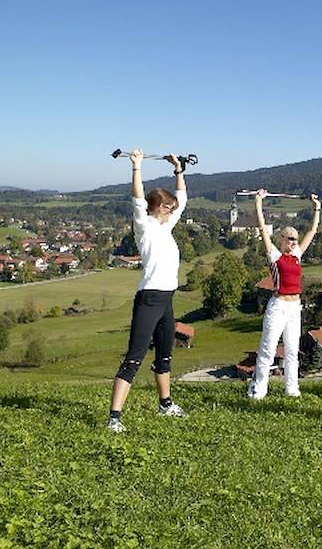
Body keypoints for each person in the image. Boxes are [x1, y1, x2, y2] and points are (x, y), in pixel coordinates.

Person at [107, 149, 189, 433]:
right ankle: (114, 419)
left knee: (164, 355)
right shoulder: (145, 226)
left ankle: (165, 405)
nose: (172, 210)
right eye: (168, 207)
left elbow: (183, 199)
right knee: (134, 357)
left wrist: (178, 169)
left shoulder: (167, 227)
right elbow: (138, 199)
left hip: (166, 298)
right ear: (158, 207)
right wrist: (137, 167)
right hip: (149, 298)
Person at [247, 189, 321, 399]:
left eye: (295, 239)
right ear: (281, 238)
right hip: (278, 306)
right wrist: (258, 203)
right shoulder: (275, 256)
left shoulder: (297, 255)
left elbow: (312, 231)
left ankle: (292, 389)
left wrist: (315, 207)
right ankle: (258, 390)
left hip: (294, 307)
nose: (293, 242)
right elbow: (262, 228)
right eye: (289, 238)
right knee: (268, 349)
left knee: (291, 351)